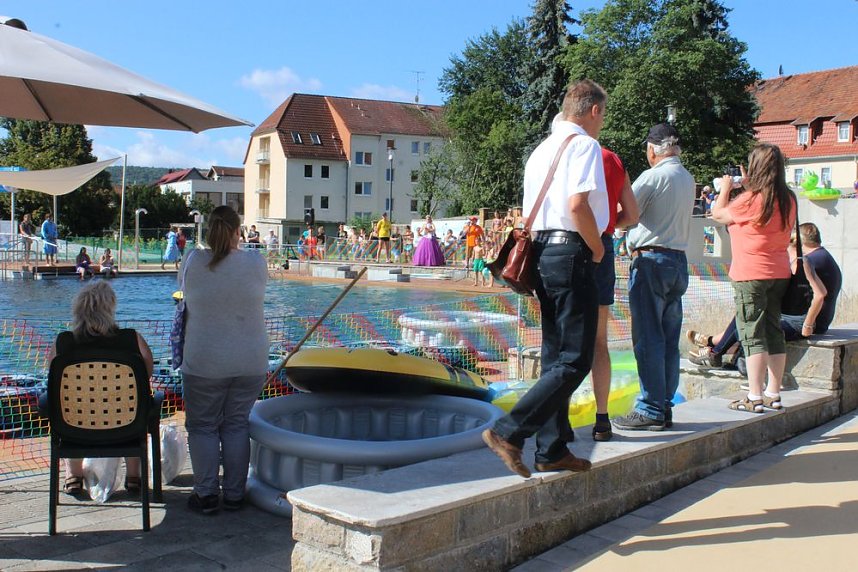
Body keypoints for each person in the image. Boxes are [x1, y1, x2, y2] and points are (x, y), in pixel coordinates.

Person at [482, 79, 609, 477]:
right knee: (575, 360)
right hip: (573, 251)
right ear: (593, 111)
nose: (602, 122)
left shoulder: (541, 150)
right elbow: (577, 205)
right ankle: (509, 431)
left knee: (557, 354)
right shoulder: (584, 145)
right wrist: (599, 248)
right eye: (602, 114)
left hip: (544, 254)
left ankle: (551, 449)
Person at [180, 205, 268, 514]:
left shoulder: (192, 261)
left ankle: (205, 494)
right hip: (250, 360)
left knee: (203, 426)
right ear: (237, 231)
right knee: (235, 425)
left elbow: (186, 295)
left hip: (204, 361)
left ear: (206, 230)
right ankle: (233, 494)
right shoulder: (256, 262)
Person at [613, 123, 695, 431]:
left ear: (651, 150)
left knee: (648, 338)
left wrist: (604, 226)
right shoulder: (687, 178)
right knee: (668, 339)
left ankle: (649, 407)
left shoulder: (653, 177)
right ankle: (663, 404)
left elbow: (628, 213)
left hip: (650, 261)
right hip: (677, 260)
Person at [45, 281, 155, 497]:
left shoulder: (63, 343)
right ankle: (134, 476)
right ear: (110, 308)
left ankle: (73, 476)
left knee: (72, 402)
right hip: (126, 427)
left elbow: (52, 381)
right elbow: (146, 376)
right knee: (133, 401)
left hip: (74, 429)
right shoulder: (132, 339)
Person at [708, 143, 796, 413]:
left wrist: (726, 189)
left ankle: (754, 396)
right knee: (773, 331)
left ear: (755, 167)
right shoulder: (788, 198)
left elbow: (718, 213)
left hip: (750, 274)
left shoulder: (750, 199)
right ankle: (773, 392)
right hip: (779, 272)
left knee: (751, 334)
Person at [689, 222, 840, 368]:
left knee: (751, 318)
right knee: (748, 313)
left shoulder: (809, 261)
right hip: (808, 319)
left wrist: (807, 324)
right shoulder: (821, 256)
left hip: (809, 322)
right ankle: (715, 348)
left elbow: (819, 295)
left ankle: (715, 347)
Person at [589, 143, 639, 441]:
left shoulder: (560, 152)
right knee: (599, 341)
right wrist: (608, 226)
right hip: (603, 245)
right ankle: (602, 418)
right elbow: (632, 214)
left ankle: (555, 420)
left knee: (560, 339)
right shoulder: (612, 159)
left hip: (566, 246)